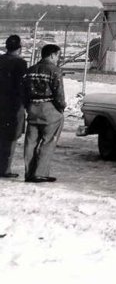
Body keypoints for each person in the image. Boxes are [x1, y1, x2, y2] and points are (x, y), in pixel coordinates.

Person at [23, 43, 66, 183]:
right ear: (52, 55)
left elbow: (23, 93)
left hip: (32, 109)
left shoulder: (30, 70)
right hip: (49, 109)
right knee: (48, 141)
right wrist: (61, 108)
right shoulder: (54, 71)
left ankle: (29, 173)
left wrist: (28, 107)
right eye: (57, 55)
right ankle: (40, 173)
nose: (58, 58)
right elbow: (59, 93)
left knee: (30, 142)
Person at [0, 35, 28, 178]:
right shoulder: (20, 63)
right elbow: (21, 86)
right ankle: (5, 169)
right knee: (11, 137)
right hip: (13, 105)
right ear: (19, 48)